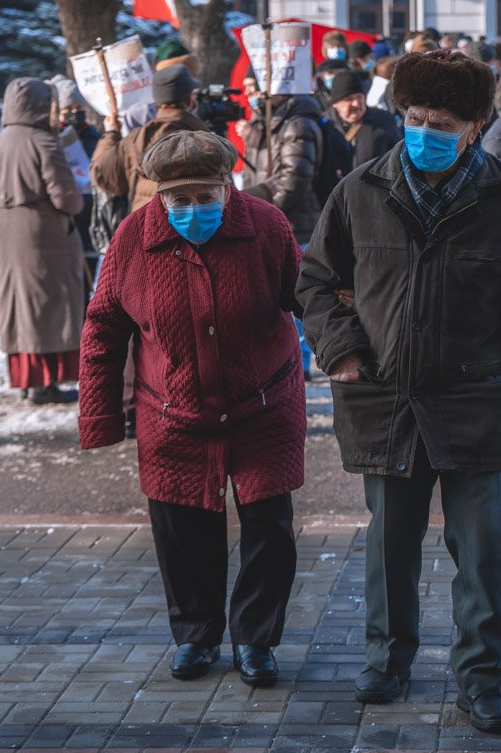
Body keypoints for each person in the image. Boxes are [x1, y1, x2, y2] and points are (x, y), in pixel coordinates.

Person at [297, 49, 501, 734]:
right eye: (414, 118)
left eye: (441, 122)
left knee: (482, 556)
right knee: (391, 545)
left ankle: (482, 680)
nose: (424, 132)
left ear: (475, 125)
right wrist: (344, 350)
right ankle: (388, 660)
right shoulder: (361, 189)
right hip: (385, 403)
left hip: (479, 406)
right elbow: (316, 282)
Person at [79, 130, 305, 684]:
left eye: (206, 197)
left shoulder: (266, 226)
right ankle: (197, 633)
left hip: (263, 404)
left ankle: (255, 638)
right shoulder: (134, 238)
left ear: (228, 189)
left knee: (268, 529)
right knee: (183, 530)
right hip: (172, 410)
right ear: (160, 198)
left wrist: (350, 351)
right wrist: (100, 414)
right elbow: (104, 327)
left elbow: (308, 297)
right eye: (180, 200)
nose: (194, 209)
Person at [0, 78, 85, 405]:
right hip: (46, 239)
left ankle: (29, 381)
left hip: (7, 237)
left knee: (21, 305)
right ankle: (45, 384)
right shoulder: (44, 142)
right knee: (48, 306)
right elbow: (68, 198)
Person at [91, 64, 210, 214]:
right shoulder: (199, 140)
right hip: (192, 227)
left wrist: (111, 134)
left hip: (144, 224)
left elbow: (100, 174)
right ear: (190, 99)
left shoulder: (136, 138)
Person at [240, 89, 324, 246]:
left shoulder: (297, 124)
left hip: (294, 229)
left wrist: (262, 212)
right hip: (267, 226)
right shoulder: (260, 122)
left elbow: (294, 180)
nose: (251, 92)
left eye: (256, 86)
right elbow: (249, 174)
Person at [50, 74, 102, 282]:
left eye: (78, 108)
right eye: (68, 109)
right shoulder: (49, 138)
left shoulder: (93, 136)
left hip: (90, 216)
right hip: (62, 219)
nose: (75, 113)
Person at [327, 71, 401, 168]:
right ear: (335, 103)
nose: (356, 103)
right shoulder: (326, 126)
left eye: (359, 97)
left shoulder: (383, 119)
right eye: (349, 99)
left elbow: (398, 159)